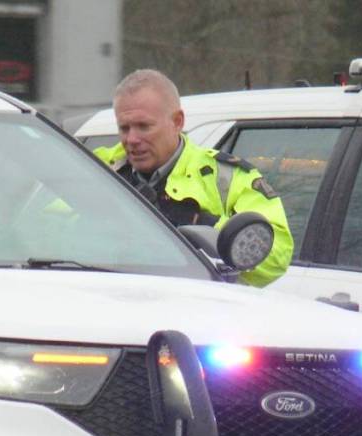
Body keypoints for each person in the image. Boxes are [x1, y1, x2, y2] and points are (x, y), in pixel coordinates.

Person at [94, 69, 293, 287]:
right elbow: (54, 230)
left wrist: (204, 228)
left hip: (196, 310)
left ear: (177, 122)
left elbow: (277, 256)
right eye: (124, 128)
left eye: (144, 127)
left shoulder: (227, 177)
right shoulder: (95, 170)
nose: (131, 139)